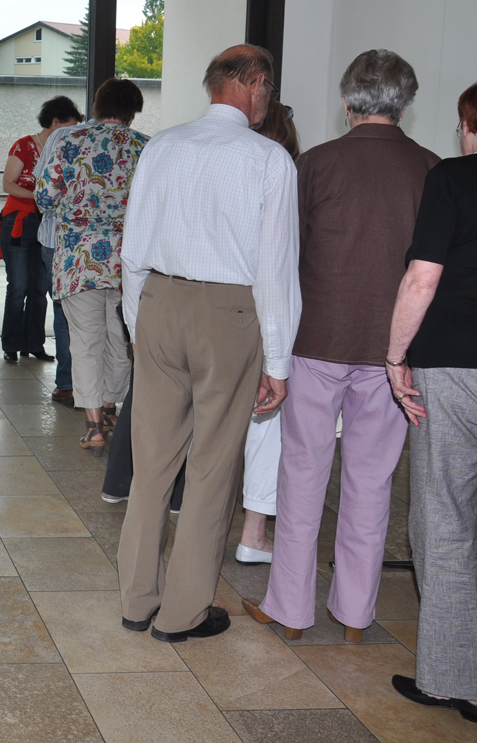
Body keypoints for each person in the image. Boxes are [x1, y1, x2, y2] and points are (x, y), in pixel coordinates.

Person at [244, 52, 434, 645]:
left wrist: (269, 346)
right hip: (392, 353)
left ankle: (290, 609)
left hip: (316, 341)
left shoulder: (315, 164)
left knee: (302, 474)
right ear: (405, 103)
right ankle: (354, 614)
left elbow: (284, 258)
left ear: (347, 102)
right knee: (373, 482)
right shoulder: (431, 168)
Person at [116, 44, 300, 643]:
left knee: (152, 464)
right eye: (267, 88)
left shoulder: (162, 146)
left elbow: (132, 248)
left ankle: (137, 601)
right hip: (229, 312)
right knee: (212, 468)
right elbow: (276, 269)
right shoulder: (269, 159)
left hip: (159, 302)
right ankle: (182, 613)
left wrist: (138, 324)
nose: (267, 99)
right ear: (254, 83)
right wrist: (278, 361)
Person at [385, 80, 477, 722]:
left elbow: (422, 277)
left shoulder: (453, 178)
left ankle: (450, 677)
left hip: (453, 365)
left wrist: (395, 357)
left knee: (444, 517)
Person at [37, 79, 147, 449]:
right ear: (132, 113)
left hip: (77, 260)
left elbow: (44, 197)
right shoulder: (145, 146)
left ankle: (94, 425)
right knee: (121, 338)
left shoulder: (69, 142)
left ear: (97, 106)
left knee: (85, 340)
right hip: (128, 262)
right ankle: (111, 406)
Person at [233, 98, 303, 563]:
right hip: (269, 313)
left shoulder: (227, 168)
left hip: (222, 309)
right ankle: (254, 533)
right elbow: (281, 270)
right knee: (266, 424)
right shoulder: (286, 174)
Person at [0, 101, 79, 362]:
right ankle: (11, 344)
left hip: (48, 225)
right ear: (55, 123)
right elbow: (8, 184)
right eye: (69, 127)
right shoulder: (23, 145)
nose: (72, 133)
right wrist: (39, 196)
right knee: (18, 286)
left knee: (40, 288)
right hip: (19, 221)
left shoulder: (65, 149)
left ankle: (34, 344)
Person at [30, 96, 83, 403]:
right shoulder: (134, 142)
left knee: (63, 311)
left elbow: (42, 192)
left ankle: (67, 384)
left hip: (55, 239)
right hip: (99, 246)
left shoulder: (59, 139)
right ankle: (98, 390)